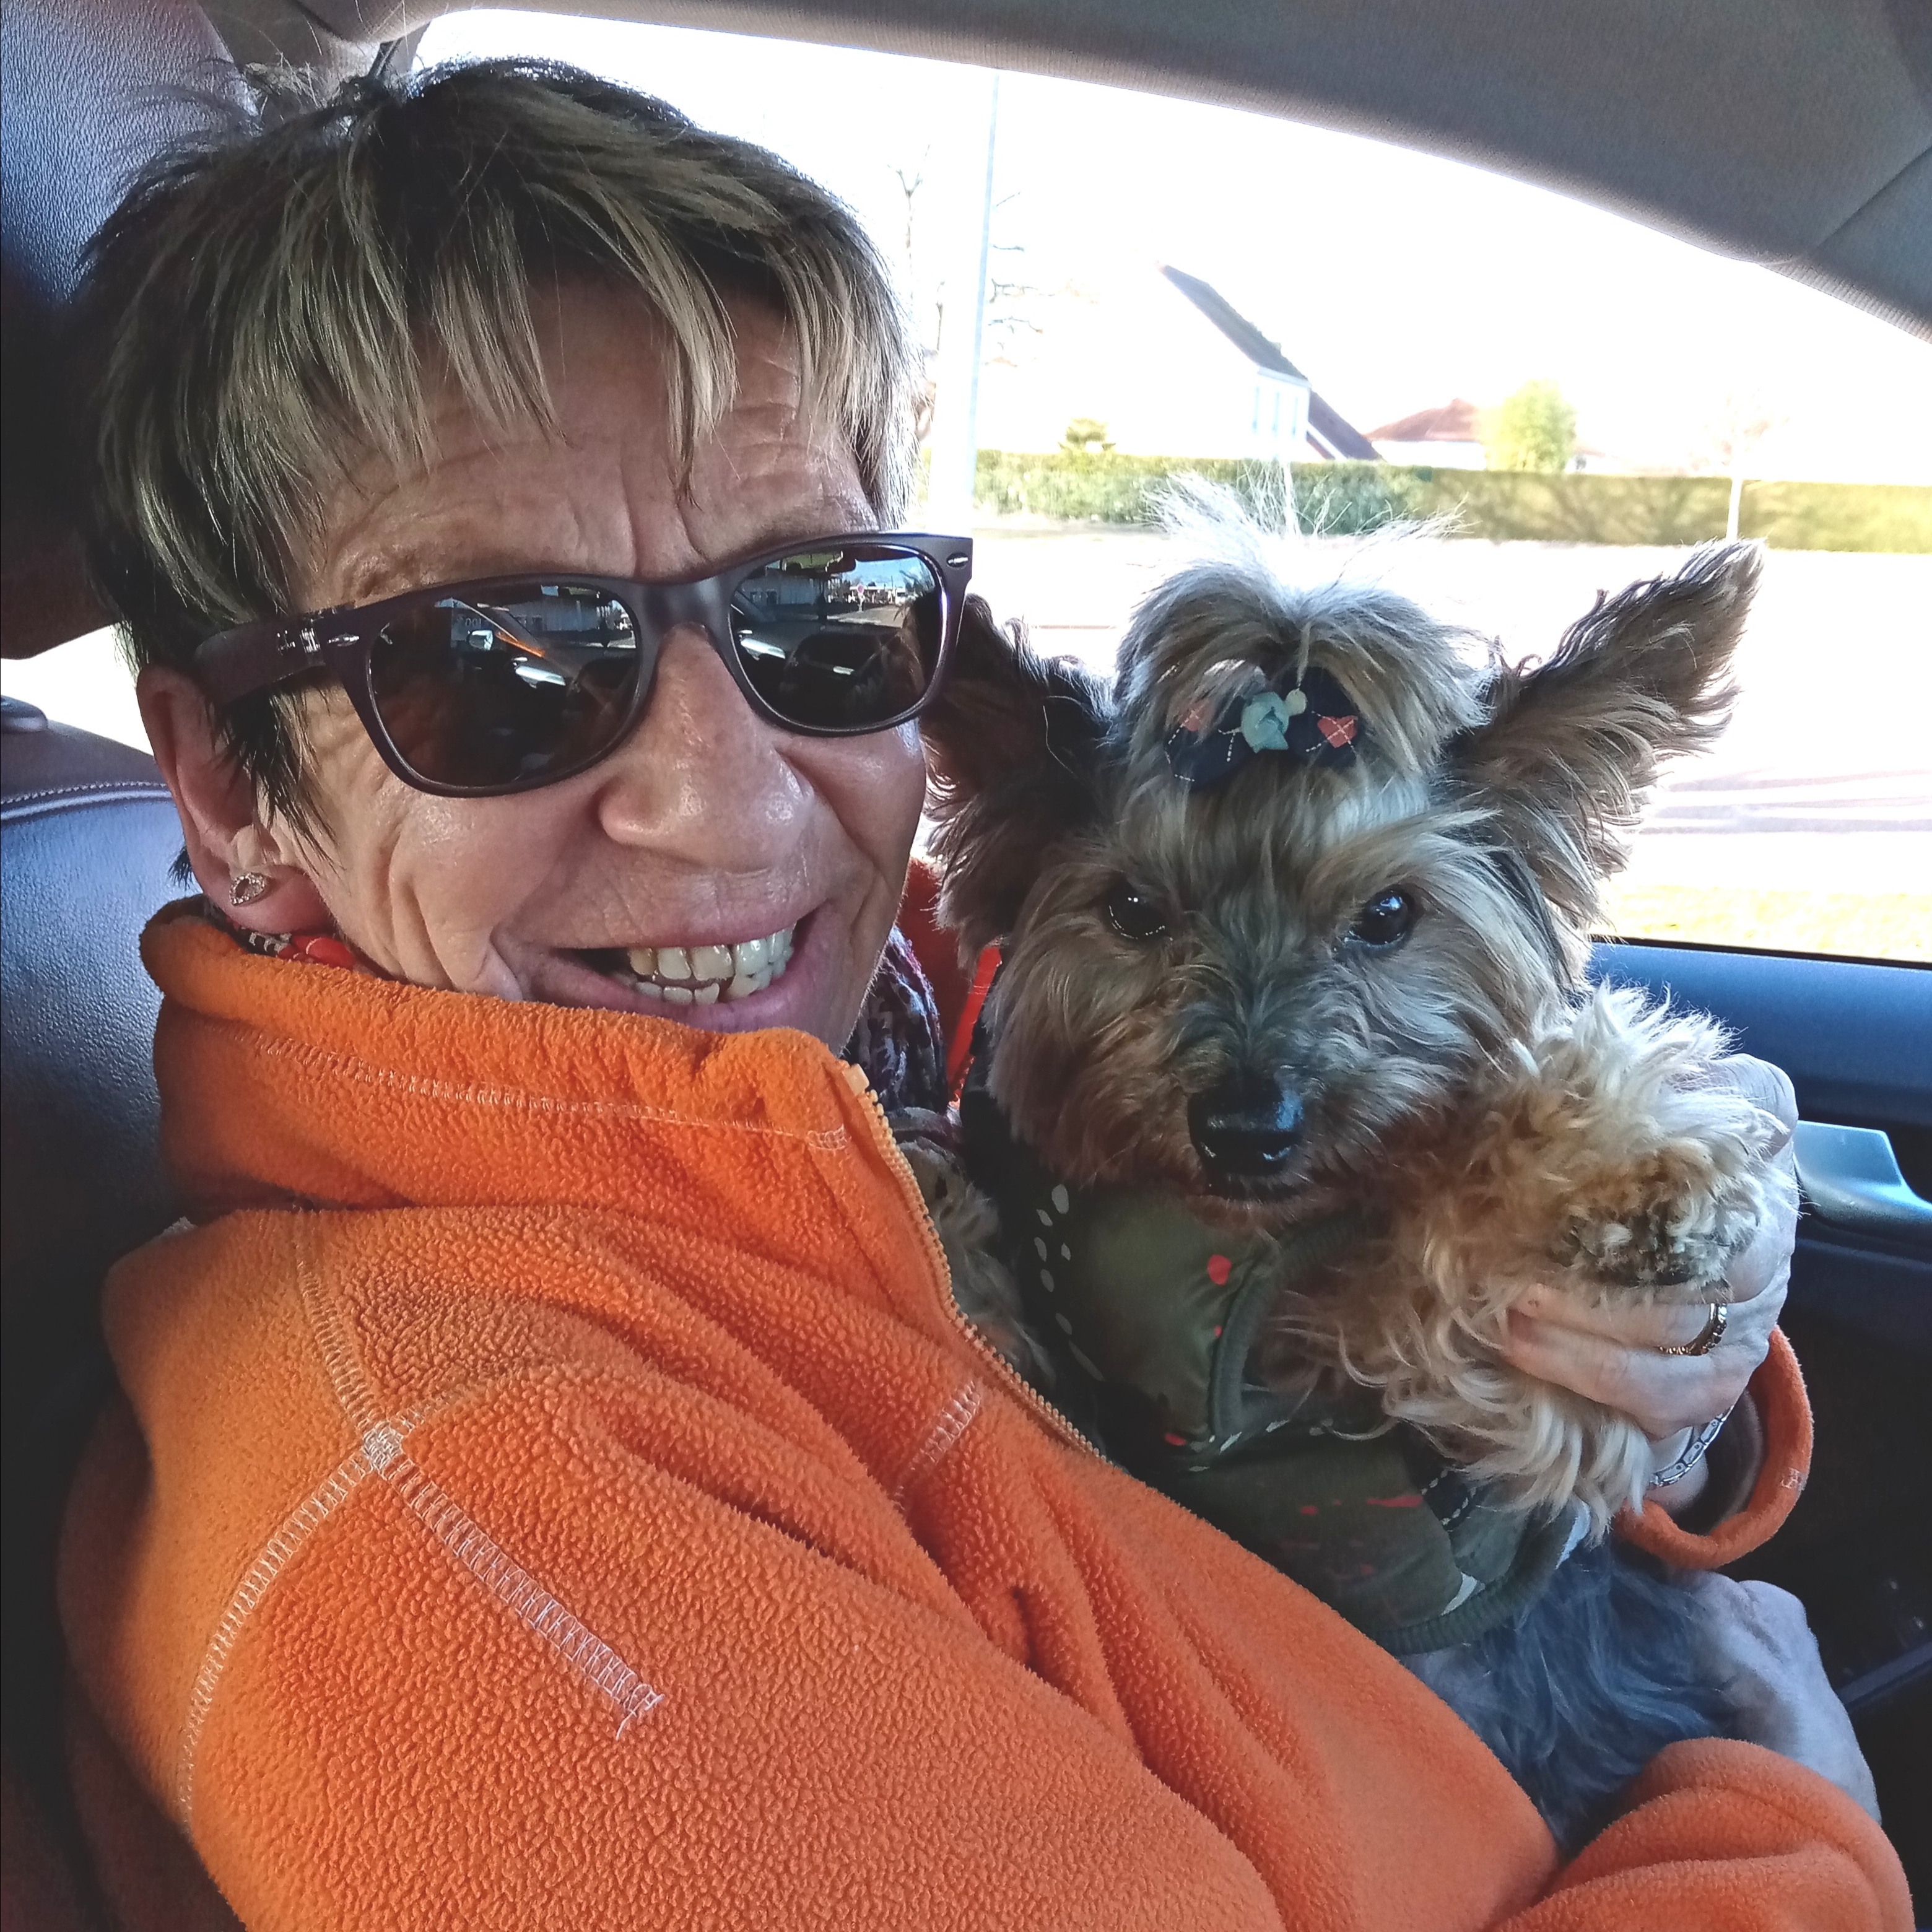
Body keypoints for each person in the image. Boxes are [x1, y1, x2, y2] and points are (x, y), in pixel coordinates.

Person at [54, 58, 1902, 1932]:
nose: (733, 800)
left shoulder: (883, 1051)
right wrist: (1795, 1831)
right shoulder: (468, 1526)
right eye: (500, 667)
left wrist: (1651, 1334)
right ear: (231, 789)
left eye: (818, 618)